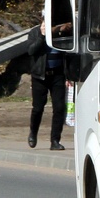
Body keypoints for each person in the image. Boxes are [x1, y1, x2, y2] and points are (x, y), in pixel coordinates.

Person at [26, 17, 69, 150]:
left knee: (59, 108)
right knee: (38, 108)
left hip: (57, 75)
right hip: (40, 75)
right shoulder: (34, 32)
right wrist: (42, 36)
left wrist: (69, 75)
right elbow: (31, 51)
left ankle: (55, 140)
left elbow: (68, 53)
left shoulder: (60, 33)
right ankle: (33, 132)